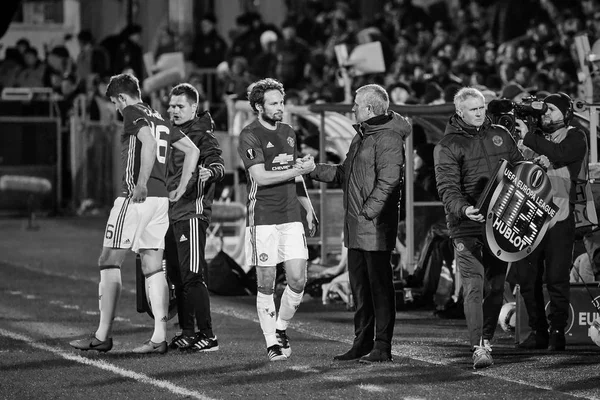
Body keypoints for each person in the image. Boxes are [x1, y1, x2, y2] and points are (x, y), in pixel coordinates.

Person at [69, 73, 199, 354]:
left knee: (109, 260)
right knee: (152, 265)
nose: (117, 108)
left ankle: (102, 335)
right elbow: (192, 150)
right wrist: (180, 187)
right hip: (161, 200)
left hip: (135, 198)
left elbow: (149, 144)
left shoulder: (132, 112)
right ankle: (159, 337)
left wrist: (140, 184)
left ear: (122, 97)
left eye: (116, 102)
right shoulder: (158, 116)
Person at [308, 84, 409, 363]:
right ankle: (361, 342)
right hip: (357, 227)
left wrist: (366, 214)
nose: (352, 108)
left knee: (379, 287)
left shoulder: (387, 137)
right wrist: (313, 170)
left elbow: (389, 181)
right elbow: (344, 173)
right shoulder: (363, 136)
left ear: (369, 108)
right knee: (361, 289)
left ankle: (382, 345)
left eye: (356, 104)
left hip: (374, 227)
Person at [434, 87, 523, 369]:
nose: (480, 113)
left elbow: (518, 168)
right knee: (474, 285)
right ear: (460, 112)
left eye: (482, 107)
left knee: (496, 287)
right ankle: (478, 347)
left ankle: (486, 339)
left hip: (500, 222)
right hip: (466, 223)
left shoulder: (501, 134)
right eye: (473, 109)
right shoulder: (447, 145)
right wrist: (464, 209)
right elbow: (447, 188)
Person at [236, 78, 316, 362]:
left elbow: (294, 176)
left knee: (297, 279)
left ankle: (280, 327)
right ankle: (271, 342)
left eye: (281, 102)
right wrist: (297, 169)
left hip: (291, 215)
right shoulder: (249, 135)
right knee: (266, 282)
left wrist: (307, 206)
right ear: (259, 106)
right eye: (274, 103)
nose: (280, 107)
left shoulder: (289, 132)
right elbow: (261, 176)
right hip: (263, 218)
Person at [514, 93, 586, 351]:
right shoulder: (532, 138)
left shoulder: (575, 137)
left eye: (552, 110)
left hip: (559, 219)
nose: (546, 114)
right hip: (527, 219)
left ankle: (558, 331)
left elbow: (559, 153)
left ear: (566, 114)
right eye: (544, 110)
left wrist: (529, 137)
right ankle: (538, 331)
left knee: (556, 278)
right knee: (527, 277)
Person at [165, 83, 225, 352]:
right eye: (171, 105)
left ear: (193, 108)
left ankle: (208, 334)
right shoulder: (173, 133)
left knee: (192, 275)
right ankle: (188, 331)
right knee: (177, 276)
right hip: (171, 212)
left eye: (180, 106)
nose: (173, 110)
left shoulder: (203, 135)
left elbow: (218, 163)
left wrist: (210, 172)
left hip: (192, 211)